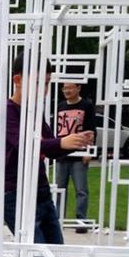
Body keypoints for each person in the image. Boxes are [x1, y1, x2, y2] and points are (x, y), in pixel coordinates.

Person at [0, 53, 94, 257]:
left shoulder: (34, 113)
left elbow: (48, 148)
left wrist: (74, 142)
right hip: (14, 195)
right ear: (18, 80)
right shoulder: (7, 112)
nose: (44, 91)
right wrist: (60, 142)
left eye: (47, 84)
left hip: (41, 194)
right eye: (39, 83)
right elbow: (25, 146)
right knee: (35, 254)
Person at [54, 83, 96, 233]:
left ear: (78, 88)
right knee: (59, 189)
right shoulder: (60, 106)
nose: (67, 91)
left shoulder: (86, 106)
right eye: (64, 88)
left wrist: (88, 152)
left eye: (70, 88)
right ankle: (58, 220)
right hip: (62, 154)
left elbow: (91, 129)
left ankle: (81, 221)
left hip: (79, 154)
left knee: (81, 190)